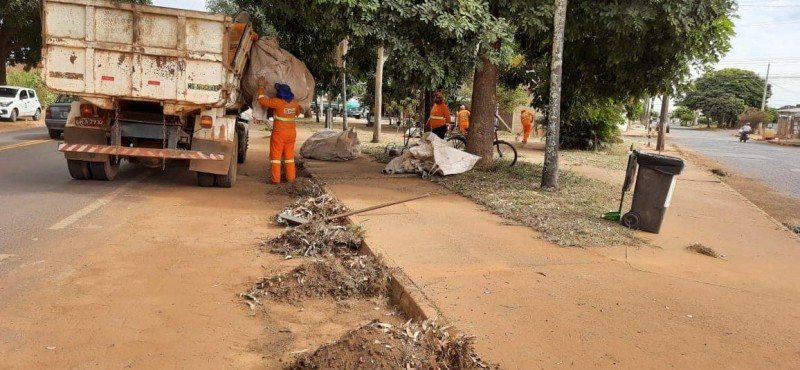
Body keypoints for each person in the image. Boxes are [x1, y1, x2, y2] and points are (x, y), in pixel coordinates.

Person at [256, 78, 300, 183]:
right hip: (291, 133)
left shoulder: (277, 103)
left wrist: (261, 87)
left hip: (279, 134)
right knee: (289, 157)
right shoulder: (295, 103)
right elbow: (298, 112)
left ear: (280, 94)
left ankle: (275, 179)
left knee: (275, 156)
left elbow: (262, 100)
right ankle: (291, 178)